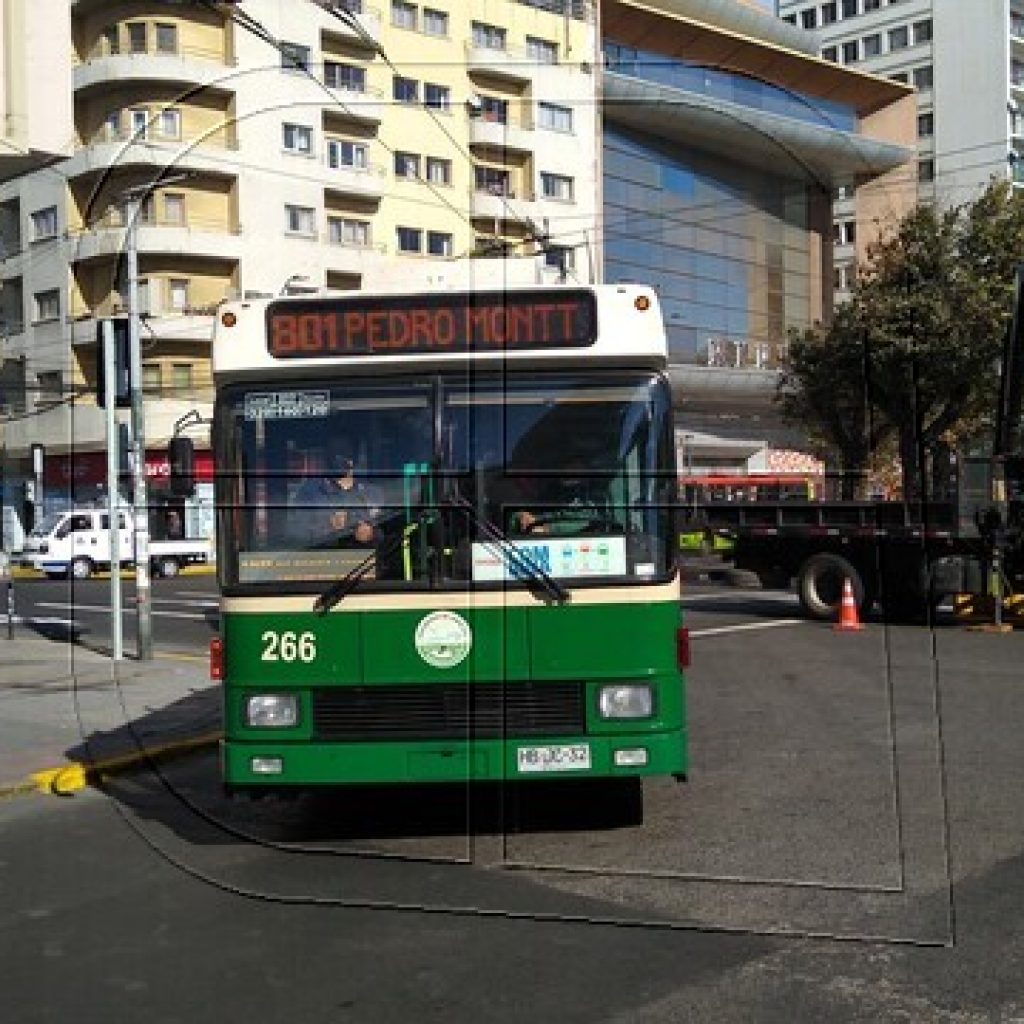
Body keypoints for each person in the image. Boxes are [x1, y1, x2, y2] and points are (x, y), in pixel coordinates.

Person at [289, 440, 381, 547]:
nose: (337, 459)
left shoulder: (372, 493)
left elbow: (389, 533)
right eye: (333, 454)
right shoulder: (309, 493)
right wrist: (328, 527)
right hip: (322, 560)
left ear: (354, 459)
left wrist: (370, 534)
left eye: (344, 454)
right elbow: (295, 534)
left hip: (366, 561)